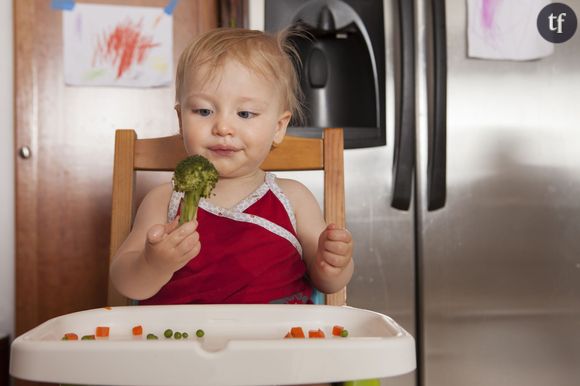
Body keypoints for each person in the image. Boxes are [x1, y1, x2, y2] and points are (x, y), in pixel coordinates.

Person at [109, 27, 354, 306]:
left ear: (278, 127)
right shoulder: (164, 201)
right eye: (203, 111)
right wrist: (153, 264)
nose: (223, 127)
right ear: (180, 119)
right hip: (180, 343)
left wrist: (334, 263)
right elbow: (124, 281)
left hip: (278, 342)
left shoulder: (294, 199)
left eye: (245, 113)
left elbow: (328, 282)